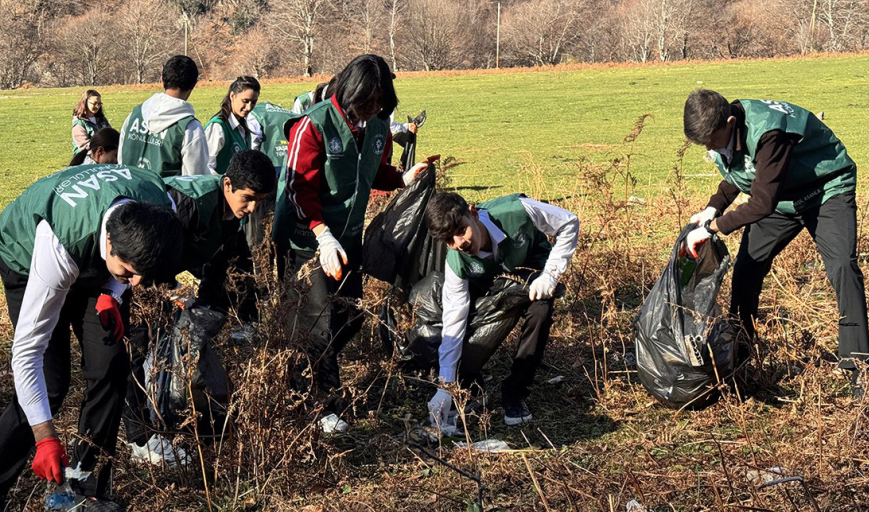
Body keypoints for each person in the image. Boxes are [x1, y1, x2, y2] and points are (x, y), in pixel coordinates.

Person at [0, 165, 182, 512]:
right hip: (28, 253)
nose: (135, 284)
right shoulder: (59, 247)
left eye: (141, 275)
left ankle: (87, 486)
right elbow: (26, 353)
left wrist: (114, 288)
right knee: (49, 382)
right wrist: (45, 436)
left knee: (111, 367)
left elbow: (130, 271)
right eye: (128, 273)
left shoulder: (160, 210)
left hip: (95, 259)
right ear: (108, 242)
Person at [274, 54, 436, 434]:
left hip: (345, 238)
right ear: (350, 92)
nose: (372, 111)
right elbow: (299, 188)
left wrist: (402, 178)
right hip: (304, 238)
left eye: (379, 104)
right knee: (319, 322)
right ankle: (321, 406)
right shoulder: (313, 126)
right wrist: (320, 233)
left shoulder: (377, 125)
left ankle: (296, 376)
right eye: (366, 104)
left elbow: (372, 172)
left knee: (350, 314)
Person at [682, 90, 868, 394]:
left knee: (843, 268)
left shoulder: (770, 133)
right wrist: (714, 206)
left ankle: (858, 368)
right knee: (746, 269)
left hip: (826, 190)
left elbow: (761, 203)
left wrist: (715, 227)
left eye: (711, 140)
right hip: (782, 198)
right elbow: (741, 170)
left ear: (730, 121)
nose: (708, 147)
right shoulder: (726, 131)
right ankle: (740, 358)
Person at [124, 150, 277, 465]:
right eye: (248, 198)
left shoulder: (230, 218)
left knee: (178, 347)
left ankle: (172, 423)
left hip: (162, 272)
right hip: (133, 267)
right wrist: (172, 292)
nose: (252, 209)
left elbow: (233, 270)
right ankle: (140, 439)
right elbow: (151, 249)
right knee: (134, 353)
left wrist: (211, 314)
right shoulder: (188, 205)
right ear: (227, 184)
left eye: (260, 201)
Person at [424, 191, 578, 429]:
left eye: (461, 231)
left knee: (540, 311)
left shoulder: (516, 211)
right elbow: (454, 319)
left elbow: (569, 221)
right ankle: (471, 387)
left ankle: (516, 391)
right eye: (449, 241)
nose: (459, 243)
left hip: (531, 270)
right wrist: (446, 386)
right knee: (463, 326)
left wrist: (550, 275)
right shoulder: (456, 262)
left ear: (473, 213)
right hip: (490, 281)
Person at [118, 55, 210, 177]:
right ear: (193, 85)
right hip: (163, 195)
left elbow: (121, 159)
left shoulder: (134, 114)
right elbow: (195, 181)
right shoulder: (190, 128)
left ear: (162, 79)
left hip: (127, 193)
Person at [205, 76, 263, 175]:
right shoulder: (218, 127)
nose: (249, 107)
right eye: (245, 101)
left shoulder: (243, 126)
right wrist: (223, 182)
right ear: (232, 96)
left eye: (253, 102)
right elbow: (206, 166)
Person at [72, 89, 111, 155]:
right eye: (94, 103)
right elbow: (84, 146)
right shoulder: (79, 123)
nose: (97, 106)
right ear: (85, 102)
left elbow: (111, 136)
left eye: (99, 104)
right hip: (85, 159)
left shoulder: (102, 120)